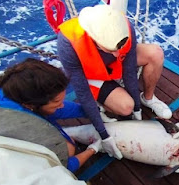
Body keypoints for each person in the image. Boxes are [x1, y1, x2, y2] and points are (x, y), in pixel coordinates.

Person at [57, 4, 172, 159]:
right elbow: (82, 92)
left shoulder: (122, 25)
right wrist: (104, 135)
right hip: (92, 76)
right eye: (111, 49)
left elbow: (129, 70)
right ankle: (101, 104)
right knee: (126, 107)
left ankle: (148, 98)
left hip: (112, 68)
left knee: (155, 53)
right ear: (94, 39)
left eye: (119, 48)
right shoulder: (68, 42)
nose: (118, 53)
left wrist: (137, 108)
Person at [0, 58, 102, 172]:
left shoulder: (11, 90)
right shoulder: (24, 128)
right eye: (56, 102)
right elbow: (62, 166)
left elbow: (59, 109)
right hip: (8, 162)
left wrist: (92, 111)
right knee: (69, 150)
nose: (61, 105)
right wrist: (93, 149)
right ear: (30, 105)